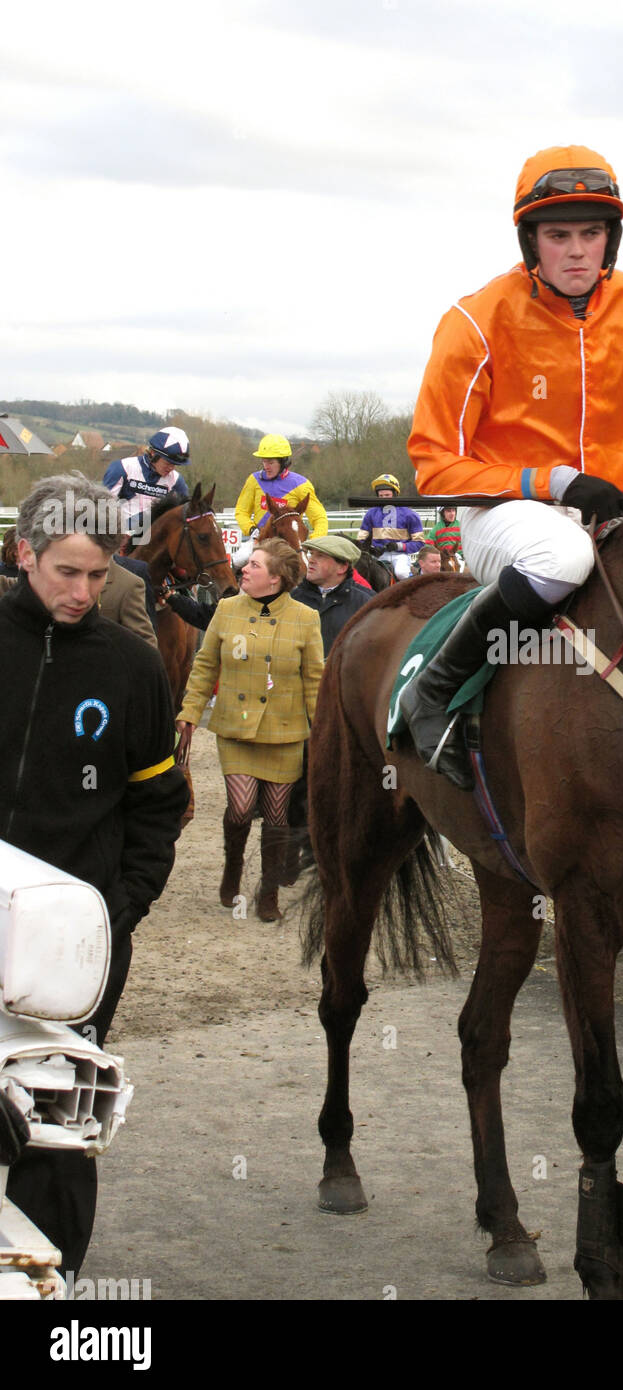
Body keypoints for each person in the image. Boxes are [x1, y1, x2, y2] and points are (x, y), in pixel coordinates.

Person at [403, 143, 623, 787]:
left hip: (618, 515)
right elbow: (435, 467)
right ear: (529, 240)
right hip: (505, 517)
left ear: (610, 239)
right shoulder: (474, 322)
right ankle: (432, 690)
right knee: (564, 557)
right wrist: (555, 481)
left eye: (590, 234)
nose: (575, 250)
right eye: (557, 234)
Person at [1, 471, 188, 1275]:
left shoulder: (133, 668)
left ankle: (52, 1287)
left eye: (98, 575)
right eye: (66, 573)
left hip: (72, 951)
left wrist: (119, 910)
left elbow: (158, 804)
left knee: (54, 1136)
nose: (83, 591)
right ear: (23, 554)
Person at [176, 537, 324, 922]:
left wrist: (321, 731)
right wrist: (189, 712)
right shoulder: (226, 610)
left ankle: (269, 890)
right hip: (236, 729)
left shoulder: (306, 619)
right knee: (241, 810)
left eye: (254, 566)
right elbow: (205, 664)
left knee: (277, 817)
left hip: (285, 732)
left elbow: (314, 681)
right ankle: (233, 867)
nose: (244, 569)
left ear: (275, 579)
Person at [233, 435, 329, 561]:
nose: (266, 466)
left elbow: (320, 518)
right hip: (260, 541)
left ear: (283, 462)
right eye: (264, 461)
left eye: (271, 462)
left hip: (290, 546)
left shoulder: (302, 485)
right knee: (238, 560)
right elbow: (241, 512)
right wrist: (251, 530)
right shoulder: (253, 480)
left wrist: (311, 543)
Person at [102, 426, 191, 541]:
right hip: (121, 537)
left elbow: (185, 515)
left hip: (157, 540)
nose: (171, 468)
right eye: (168, 463)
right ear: (153, 453)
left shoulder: (177, 481)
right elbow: (103, 507)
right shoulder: (122, 468)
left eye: (175, 465)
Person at [291, 533, 373, 655]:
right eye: (311, 554)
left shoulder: (367, 604)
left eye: (320, 556)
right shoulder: (293, 598)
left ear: (342, 568)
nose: (311, 560)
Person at [356, 473, 426, 580]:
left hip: (400, 556)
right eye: (381, 496)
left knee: (401, 573)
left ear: (395, 494)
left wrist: (399, 546)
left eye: (387, 495)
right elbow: (361, 540)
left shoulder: (410, 515)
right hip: (377, 556)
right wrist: (371, 549)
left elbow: (419, 543)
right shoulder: (370, 514)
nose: (384, 499)